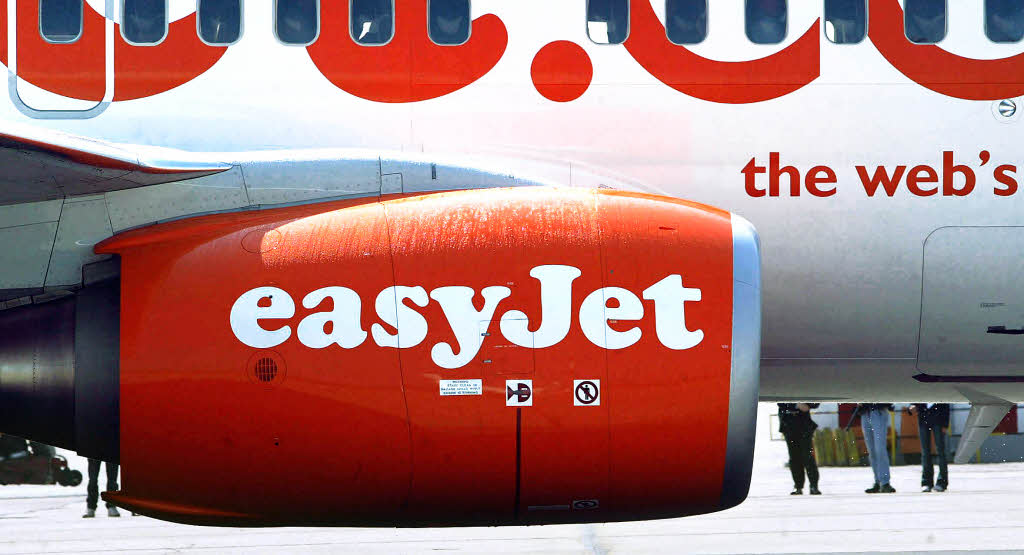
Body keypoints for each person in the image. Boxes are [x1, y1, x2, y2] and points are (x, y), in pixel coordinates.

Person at [778, 403, 821, 495]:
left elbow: (816, 403)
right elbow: (780, 402)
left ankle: (813, 485)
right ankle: (798, 486)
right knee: (794, 457)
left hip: (804, 425)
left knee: (807, 456)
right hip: (788, 424)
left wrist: (808, 405)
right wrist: (796, 405)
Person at [909, 403, 950, 492]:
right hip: (923, 417)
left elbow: (946, 403)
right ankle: (926, 482)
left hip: (938, 418)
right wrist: (912, 405)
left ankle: (942, 482)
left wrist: (945, 424)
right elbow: (916, 398)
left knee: (941, 451)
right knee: (925, 452)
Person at [859, 403, 896, 493]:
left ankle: (885, 482)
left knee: (880, 449)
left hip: (878, 410)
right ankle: (878, 481)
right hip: (865, 412)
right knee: (871, 451)